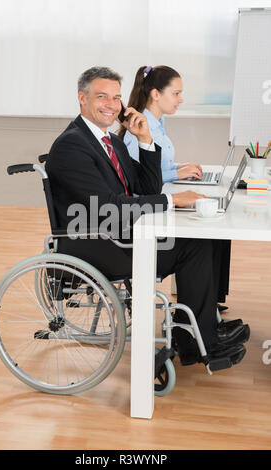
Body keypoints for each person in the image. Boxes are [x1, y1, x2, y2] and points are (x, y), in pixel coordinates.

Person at [45, 66, 249, 369]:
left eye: (116, 98)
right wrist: (173, 200)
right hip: (99, 243)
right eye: (102, 97)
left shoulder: (110, 140)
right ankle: (197, 340)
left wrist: (144, 139)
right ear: (82, 98)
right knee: (193, 246)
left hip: (119, 232)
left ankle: (196, 333)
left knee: (201, 237)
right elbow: (108, 207)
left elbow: (145, 188)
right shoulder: (72, 145)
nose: (112, 105)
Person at [120, 65, 231, 306]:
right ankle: (204, 310)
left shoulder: (156, 124)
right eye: (176, 93)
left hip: (157, 197)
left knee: (215, 228)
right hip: (145, 213)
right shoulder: (138, 129)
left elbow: (156, 164)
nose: (181, 99)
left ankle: (210, 306)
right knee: (206, 232)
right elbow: (141, 178)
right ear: (156, 94)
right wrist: (174, 173)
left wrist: (179, 168)